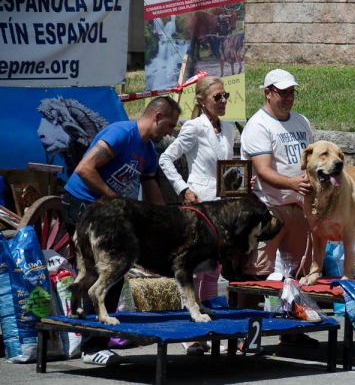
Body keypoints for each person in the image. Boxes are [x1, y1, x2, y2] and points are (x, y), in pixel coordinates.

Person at [61, 96, 180, 366]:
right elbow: (84, 169)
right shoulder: (121, 133)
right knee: (105, 269)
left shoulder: (149, 151)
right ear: (157, 116)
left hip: (108, 211)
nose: (170, 131)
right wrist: (116, 200)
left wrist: (168, 222)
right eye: (170, 125)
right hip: (81, 204)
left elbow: (153, 191)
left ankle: (90, 330)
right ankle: (92, 347)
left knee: (115, 269)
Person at [239, 68, 318, 348]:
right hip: (268, 208)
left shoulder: (301, 121)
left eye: (291, 92)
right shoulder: (259, 125)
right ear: (267, 93)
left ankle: (291, 330)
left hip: (298, 205)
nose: (288, 98)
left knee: (296, 273)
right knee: (256, 275)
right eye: (282, 93)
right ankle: (244, 334)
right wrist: (294, 183)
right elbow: (262, 171)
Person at [159, 76, 234, 355]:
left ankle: (211, 327)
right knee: (193, 266)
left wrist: (241, 183)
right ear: (202, 101)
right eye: (218, 97)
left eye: (225, 96)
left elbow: (228, 166)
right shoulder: (194, 127)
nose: (224, 101)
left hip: (221, 206)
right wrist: (183, 189)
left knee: (214, 267)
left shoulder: (228, 128)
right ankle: (189, 331)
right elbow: (165, 158)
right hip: (199, 204)